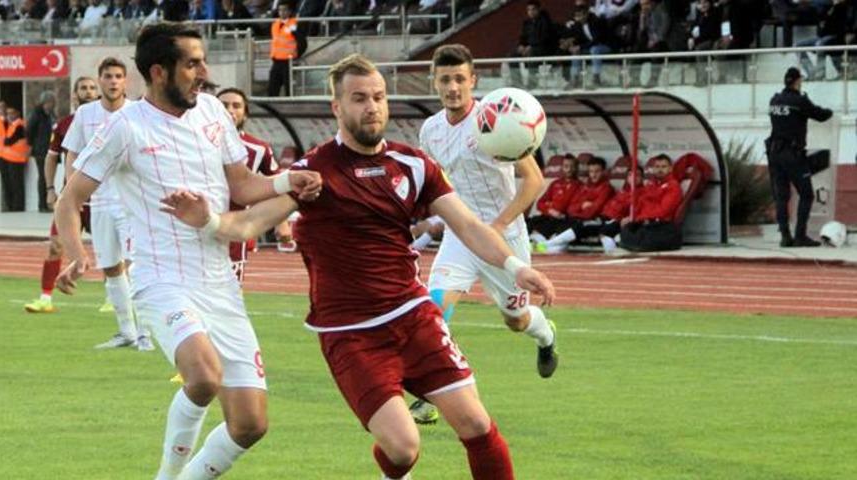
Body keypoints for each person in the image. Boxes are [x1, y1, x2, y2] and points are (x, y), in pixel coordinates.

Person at [160, 53, 555, 480]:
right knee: (404, 448)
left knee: (476, 424)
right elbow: (252, 222)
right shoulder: (315, 171)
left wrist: (516, 268)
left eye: (379, 97)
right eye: (359, 98)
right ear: (337, 107)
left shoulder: (414, 165)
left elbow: (469, 225)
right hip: (350, 332)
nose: (372, 107)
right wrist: (209, 221)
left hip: (413, 315)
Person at [54, 23, 321, 480]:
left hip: (219, 279)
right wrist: (75, 252)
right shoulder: (125, 126)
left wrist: (285, 180)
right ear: (159, 72)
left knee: (251, 423)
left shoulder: (214, 112)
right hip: (161, 278)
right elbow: (69, 197)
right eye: (192, 64)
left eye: (203, 61)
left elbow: (242, 185)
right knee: (202, 376)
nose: (204, 72)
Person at [412, 44, 558, 424]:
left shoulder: (493, 119)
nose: (453, 87)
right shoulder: (430, 130)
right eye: (445, 80)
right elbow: (433, 182)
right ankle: (434, 396)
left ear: (473, 80)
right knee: (434, 310)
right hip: (460, 235)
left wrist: (498, 224)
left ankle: (546, 338)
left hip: (504, 238)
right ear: (435, 83)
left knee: (517, 319)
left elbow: (534, 181)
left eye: (460, 78)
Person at [62, 57, 153, 350]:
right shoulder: (85, 114)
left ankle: (146, 335)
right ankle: (126, 331)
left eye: (118, 76)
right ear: (100, 80)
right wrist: (73, 189)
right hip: (99, 202)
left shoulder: (137, 112)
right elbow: (72, 154)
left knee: (135, 266)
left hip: (130, 201)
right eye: (108, 76)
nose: (113, 81)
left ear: (125, 81)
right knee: (111, 267)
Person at [24, 77, 100, 315]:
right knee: (56, 246)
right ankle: (45, 298)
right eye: (83, 88)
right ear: (75, 94)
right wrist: (50, 189)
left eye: (91, 88)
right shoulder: (66, 124)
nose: (88, 92)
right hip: (73, 199)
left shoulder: (112, 122)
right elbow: (50, 157)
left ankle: (115, 299)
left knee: (112, 250)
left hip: (104, 199)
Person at [216, 87, 283, 283]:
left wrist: (282, 222)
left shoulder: (258, 149)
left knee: (230, 298)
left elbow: (277, 183)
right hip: (197, 227)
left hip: (234, 233)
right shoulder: (194, 142)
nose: (230, 110)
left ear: (245, 113)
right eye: (223, 105)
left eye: (236, 106)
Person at [766, 67, 833, 247]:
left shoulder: (774, 100)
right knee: (806, 194)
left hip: (774, 153)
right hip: (792, 155)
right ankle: (800, 235)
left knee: (782, 196)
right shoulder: (799, 101)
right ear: (797, 81)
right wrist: (831, 112)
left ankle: (785, 236)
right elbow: (820, 115)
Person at [536, 156, 615, 253]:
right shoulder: (585, 187)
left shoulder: (606, 188)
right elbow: (570, 209)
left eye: (597, 171)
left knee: (579, 225)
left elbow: (593, 211)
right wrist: (581, 206)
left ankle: (547, 244)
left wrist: (580, 210)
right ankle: (545, 246)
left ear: (604, 172)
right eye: (591, 172)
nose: (593, 175)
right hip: (576, 219)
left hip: (596, 221)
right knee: (553, 224)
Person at [618, 154, 683, 252]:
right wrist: (632, 217)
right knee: (626, 228)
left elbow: (663, 211)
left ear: (670, 168)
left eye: (663, 167)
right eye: (657, 167)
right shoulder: (651, 185)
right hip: (646, 223)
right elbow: (640, 203)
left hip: (662, 226)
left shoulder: (673, 187)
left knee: (640, 236)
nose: (660, 170)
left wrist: (639, 218)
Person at [527, 155, 581, 245]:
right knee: (530, 221)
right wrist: (550, 210)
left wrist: (551, 205)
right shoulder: (555, 183)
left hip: (563, 218)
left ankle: (540, 244)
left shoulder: (580, 186)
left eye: (572, 166)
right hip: (549, 215)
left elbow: (568, 206)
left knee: (549, 227)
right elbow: (540, 203)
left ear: (576, 168)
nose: (569, 169)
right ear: (562, 168)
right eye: (566, 166)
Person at [27, 91, 58, 212]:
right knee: (43, 177)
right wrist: (32, 145)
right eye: (49, 102)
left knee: (49, 177)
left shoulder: (51, 115)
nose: (51, 105)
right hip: (40, 150)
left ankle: (48, 202)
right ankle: (42, 204)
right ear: (44, 102)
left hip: (50, 149)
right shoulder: (37, 115)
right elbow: (29, 131)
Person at [0, 106, 30, 212]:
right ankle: (12, 206)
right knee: (11, 184)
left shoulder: (19, 125)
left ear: (17, 113)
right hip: (10, 159)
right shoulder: (12, 125)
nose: (9, 115)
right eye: (8, 113)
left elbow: (9, 141)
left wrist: (5, 140)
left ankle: (17, 207)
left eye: (12, 113)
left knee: (16, 185)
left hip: (17, 159)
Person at [267, 2, 299, 97]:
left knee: (289, 88)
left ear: (289, 11)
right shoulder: (275, 24)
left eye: (284, 10)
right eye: (280, 10)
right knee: (272, 87)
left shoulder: (294, 24)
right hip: (276, 60)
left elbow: (302, 41)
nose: (282, 12)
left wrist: (297, 55)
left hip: (288, 61)